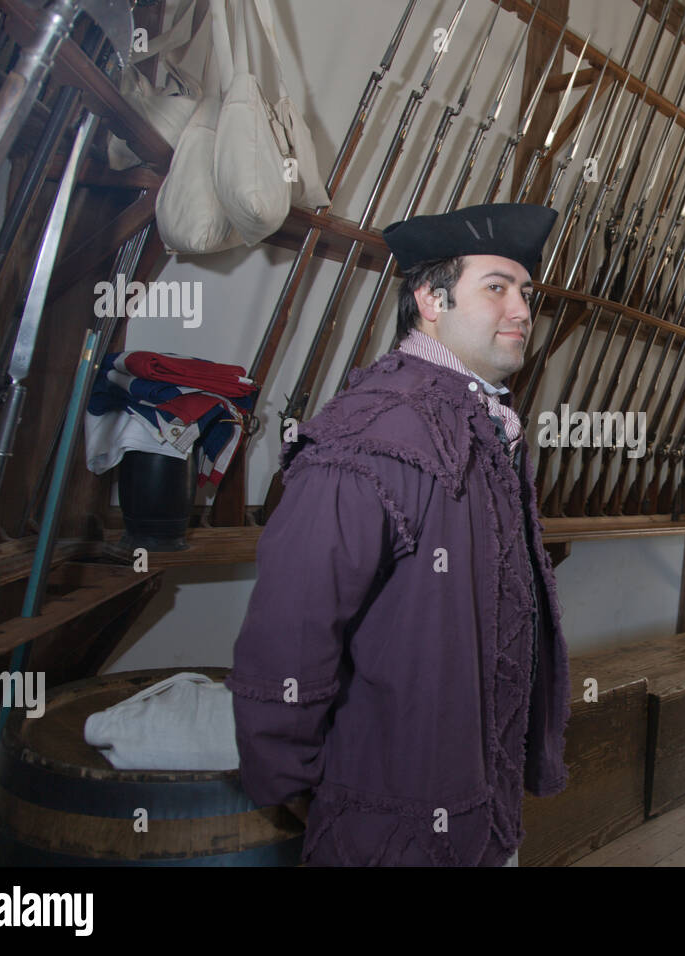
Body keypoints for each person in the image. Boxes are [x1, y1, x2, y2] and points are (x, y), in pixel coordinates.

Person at [227, 203, 570, 866]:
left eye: (527, 292)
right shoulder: (368, 434)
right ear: (431, 299)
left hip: (482, 808)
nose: (523, 311)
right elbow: (291, 632)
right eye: (496, 287)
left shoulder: (488, 424)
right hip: (387, 826)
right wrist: (293, 783)